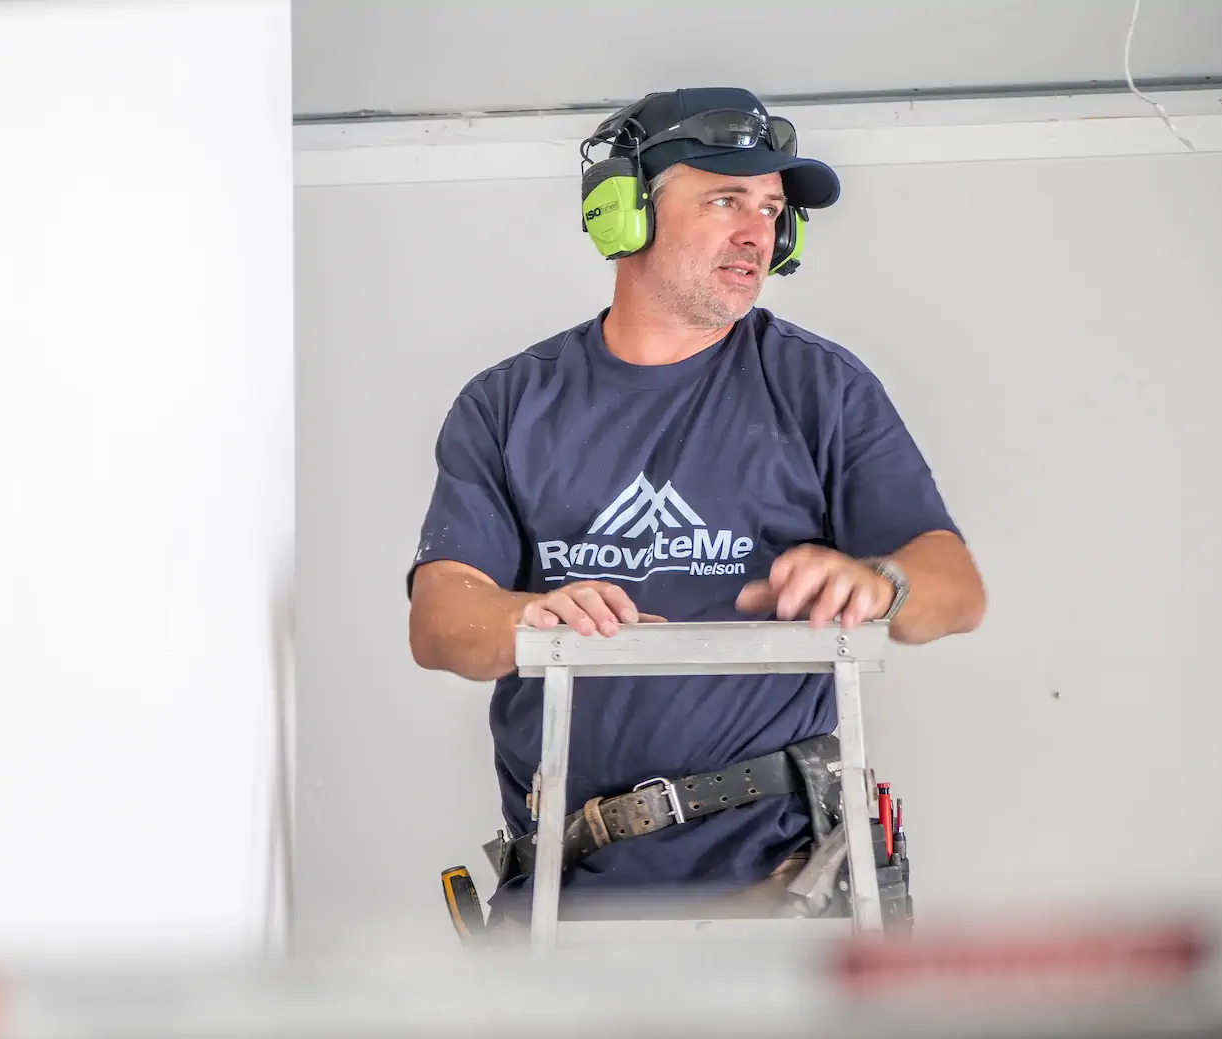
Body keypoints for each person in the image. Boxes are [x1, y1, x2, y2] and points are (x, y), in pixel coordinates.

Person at [405, 87, 986, 929]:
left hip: (781, 890)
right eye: (724, 201)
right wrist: (529, 614)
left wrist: (881, 585)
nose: (758, 234)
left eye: (772, 210)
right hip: (566, 900)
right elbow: (439, 619)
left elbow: (955, 589)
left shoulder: (819, 388)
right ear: (624, 212)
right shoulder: (507, 405)